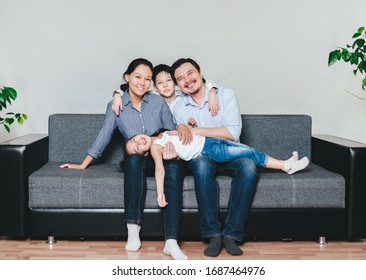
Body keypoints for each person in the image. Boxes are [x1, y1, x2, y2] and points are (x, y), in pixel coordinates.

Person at [59, 58, 190, 260]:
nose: (142, 83)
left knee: (173, 167)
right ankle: (133, 229)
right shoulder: (117, 104)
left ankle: (171, 241)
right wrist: (83, 164)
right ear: (127, 77)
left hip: (162, 156)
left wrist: (160, 143)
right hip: (138, 159)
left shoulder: (157, 101)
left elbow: (171, 131)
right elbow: (104, 134)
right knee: (134, 160)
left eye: (147, 79)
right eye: (138, 77)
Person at [169, 57, 258, 257]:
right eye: (180, 78)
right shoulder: (179, 107)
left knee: (250, 167)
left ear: (200, 73)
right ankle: (213, 234)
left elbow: (232, 133)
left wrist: (197, 130)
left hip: (230, 152)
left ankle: (232, 234)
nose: (187, 80)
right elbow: (186, 140)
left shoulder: (226, 95)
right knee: (201, 166)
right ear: (178, 85)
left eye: (190, 73)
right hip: (202, 155)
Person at [124, 128, 309, 208]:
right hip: (210, 150)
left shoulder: (161, 134)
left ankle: (285, 161)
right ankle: (286, 166)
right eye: (137, 148)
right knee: (251, 155)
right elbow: (159, 170)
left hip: (210, 139)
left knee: (249, 149)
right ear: (144, 154)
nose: (138, 142)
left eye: (134, 140)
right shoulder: (157, 148)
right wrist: (160, 192)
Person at [111, 63, 220, 116]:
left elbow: (204, 82)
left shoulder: (183, 94)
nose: (165, 85)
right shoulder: (152, 96)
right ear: (155, 88)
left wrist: (212, 93)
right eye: (160, 83)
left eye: (168, 80)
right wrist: (117, 95)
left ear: (176, 83)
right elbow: (128, 89)